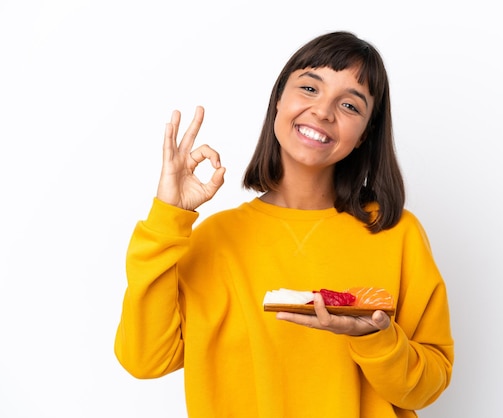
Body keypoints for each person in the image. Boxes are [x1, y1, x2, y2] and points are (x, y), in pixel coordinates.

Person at [114, 31, 454, 418]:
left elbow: (427, 387)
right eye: (310, 88)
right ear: (279, 99)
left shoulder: (397, 234)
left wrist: (378, 339)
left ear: (364, 136)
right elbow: (145, 360)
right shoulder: (214, 238)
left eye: (349, 105)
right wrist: (167, 216)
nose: (323, 111)